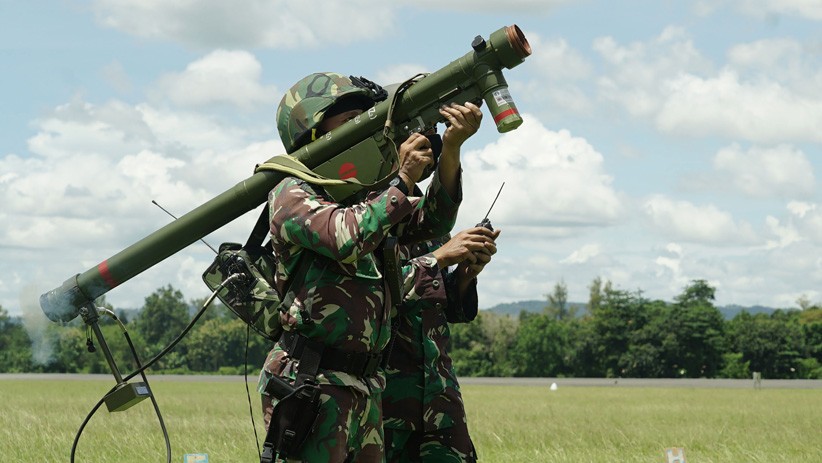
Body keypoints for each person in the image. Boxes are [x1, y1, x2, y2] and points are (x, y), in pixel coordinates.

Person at [257, 72, 489, 463]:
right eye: (350, 123)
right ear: (312, 133)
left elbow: (432, 223)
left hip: (365, 384)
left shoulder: (363, 197)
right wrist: (401, 178)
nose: (365, 132)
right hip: (313, 381)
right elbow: (347, 237)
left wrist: (451, 148)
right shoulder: (291, 193)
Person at [382, 224, 499, 463]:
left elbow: (446, 307)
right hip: (384, 400)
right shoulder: (367, 219)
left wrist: (465, 274)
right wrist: (438, 258)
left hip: (440, 397)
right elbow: (373, 295)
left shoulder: (433, 221)